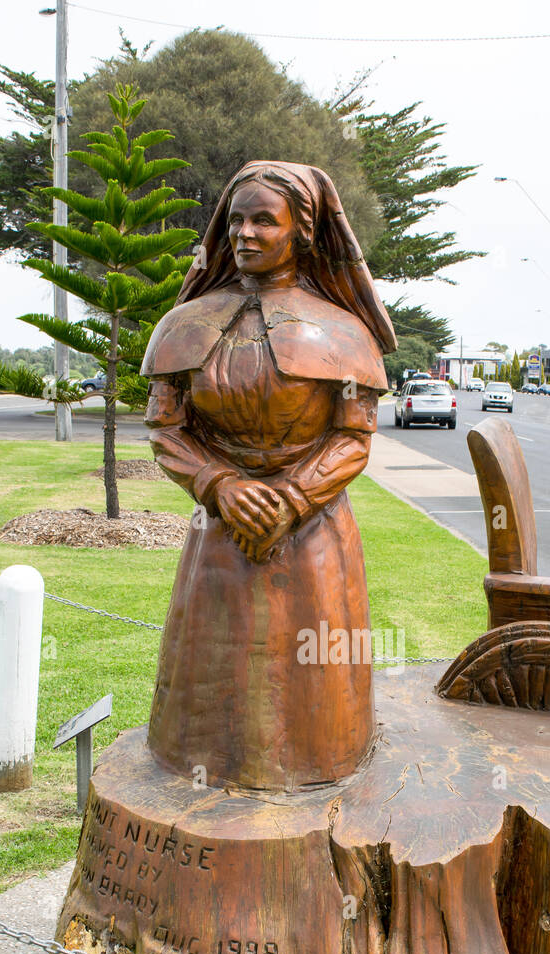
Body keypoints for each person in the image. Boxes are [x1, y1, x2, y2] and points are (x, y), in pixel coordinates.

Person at [141, 161, 396, 792]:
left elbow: (353, 438)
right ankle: (202, 766)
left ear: (302, 232)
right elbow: (167, 430)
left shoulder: (340, 330)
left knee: (310, 683)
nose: (245, 234)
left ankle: (316, 767)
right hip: (219, 531)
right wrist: (220, 485)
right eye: (235, 220)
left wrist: (289, 498)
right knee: (212, 675)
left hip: (313, 534)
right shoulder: (187, 322)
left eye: (264, 219)